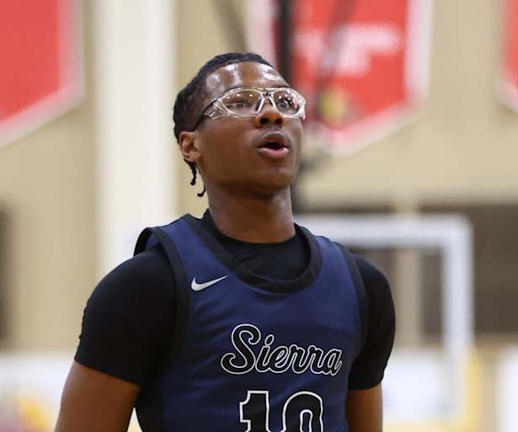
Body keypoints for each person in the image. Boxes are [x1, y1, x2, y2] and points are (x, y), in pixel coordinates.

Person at [55, 52, 395, 432]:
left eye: (285, 102)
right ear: (190, 145)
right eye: (239, 102)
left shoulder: (361, 287)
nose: (271, 114)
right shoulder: (145, 287)